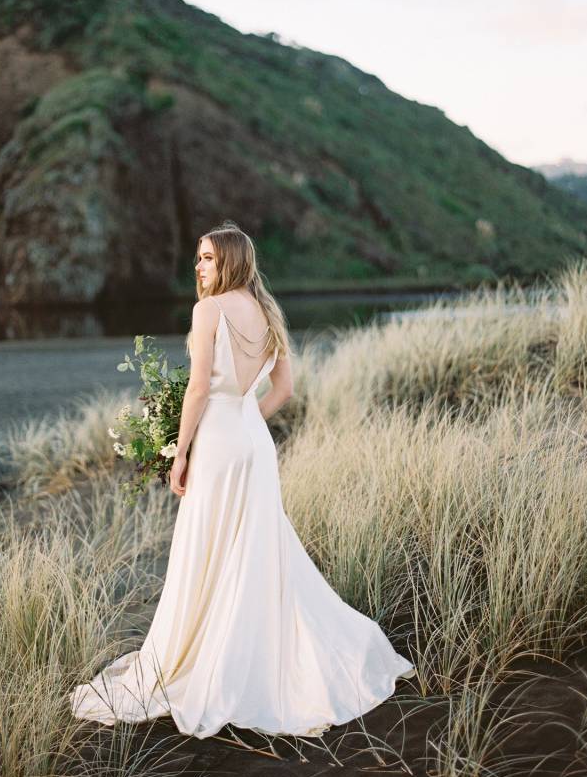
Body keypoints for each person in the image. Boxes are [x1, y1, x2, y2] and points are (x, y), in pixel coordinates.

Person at [70, 219, 415, 739]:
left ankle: (213, 655)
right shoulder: (268, 312)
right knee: (253, 545)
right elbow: (284, 389)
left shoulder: (208, 309)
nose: (199, 266)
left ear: (228, 261)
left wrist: (180, 452)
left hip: (218, 443)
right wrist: (247, 415)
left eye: (207, 257)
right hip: (253, 442)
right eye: (198, 257)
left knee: (209, 545)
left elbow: (198, 390)